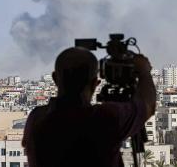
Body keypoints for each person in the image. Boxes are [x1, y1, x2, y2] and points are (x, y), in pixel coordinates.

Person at [22, 47, 156, 167]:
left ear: (55, 78)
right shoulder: (104, 119)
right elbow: (147, 105)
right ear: (95, 83)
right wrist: (144, 71)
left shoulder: (36, 119)